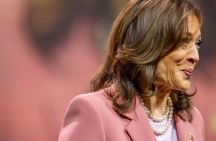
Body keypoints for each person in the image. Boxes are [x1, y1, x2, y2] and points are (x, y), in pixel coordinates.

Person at [58, 0, 204, 141]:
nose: (195, 57)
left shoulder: (192, 119)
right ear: (149, 42)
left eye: (197, 43)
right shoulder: (93, 112)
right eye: (184, 42)